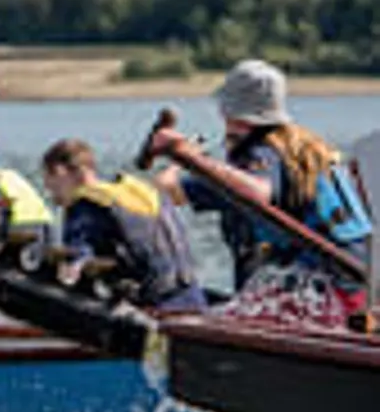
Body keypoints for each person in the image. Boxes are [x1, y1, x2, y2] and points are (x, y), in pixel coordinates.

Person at [149, 59, 373, 299]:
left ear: (229, 111)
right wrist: (186, 162)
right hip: (355, 287)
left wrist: (182, 158)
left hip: (314, 290)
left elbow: (257, 193)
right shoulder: (305, 148)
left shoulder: (259, 154)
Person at [39, 139, 205, 313]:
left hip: (151, 309)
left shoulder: (85, 206)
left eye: (48, 181)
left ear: (60, 172)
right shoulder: (141, 191)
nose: (49, 190)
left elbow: (77, 261)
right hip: (193, 299)